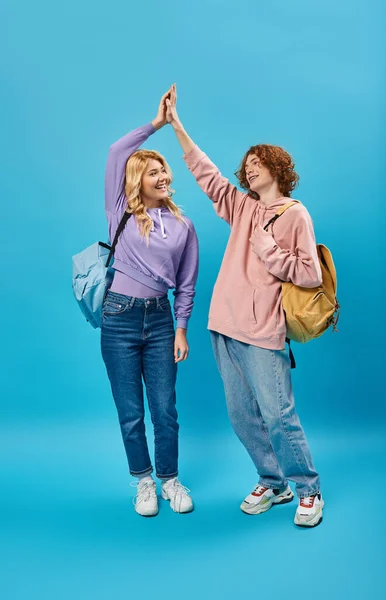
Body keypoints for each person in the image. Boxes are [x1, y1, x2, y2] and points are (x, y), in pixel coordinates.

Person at [165, 84, 324, 527]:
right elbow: (207, 174)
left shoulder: (295, 214)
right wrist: (177, 125)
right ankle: (273, 483)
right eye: (247, 166)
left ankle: (308, 489)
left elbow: (310, 273)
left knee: (278, 414)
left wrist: (269, 249)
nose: (250, 170)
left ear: (277, 168)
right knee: (240, 414)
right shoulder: (242, 207)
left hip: (263, 331)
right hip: (223, 325)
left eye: (258, 164)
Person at [101, 87, 199, 517]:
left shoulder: (184, 225)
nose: (163, 176)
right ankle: (142, 482)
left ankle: (170, 480)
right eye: (153, 171)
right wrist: (157, 123)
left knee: (165, 409)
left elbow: (188, 284)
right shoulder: (119, 208)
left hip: (160, 321)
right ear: (136, 178)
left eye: (165, 170)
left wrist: (181, 329)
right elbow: (117, 149)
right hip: (119, 317)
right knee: (130, 412)